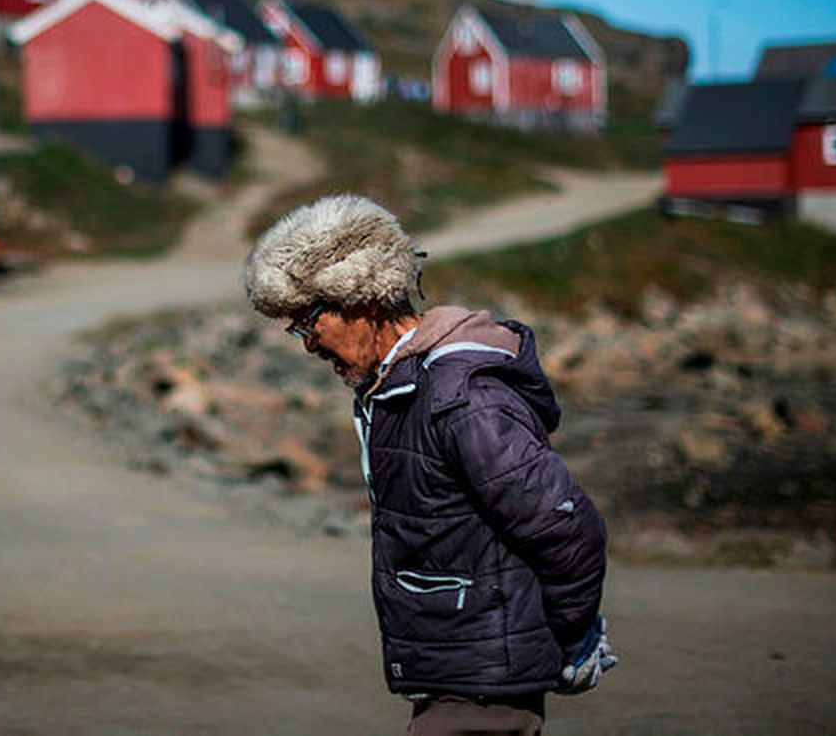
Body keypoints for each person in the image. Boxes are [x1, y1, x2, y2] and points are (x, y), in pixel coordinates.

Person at [244, 193, 615, 736]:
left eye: (306, 321)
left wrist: (569, 634)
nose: (308, 345)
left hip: (484, 691)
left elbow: (567, 527)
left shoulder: (461, 400)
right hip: (461, 679)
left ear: (360, 297)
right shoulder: (395, 391)